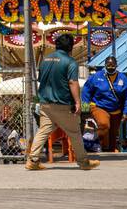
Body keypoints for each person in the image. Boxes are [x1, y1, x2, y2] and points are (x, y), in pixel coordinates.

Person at [26, 33, 98, 171]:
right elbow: (72, 82)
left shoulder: (45, 60)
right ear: (70, 47)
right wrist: (78, 102)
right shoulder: (70, 62)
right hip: (63, 104)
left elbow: (42, 79)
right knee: (74, 132)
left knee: (43, 131)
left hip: (45, 104)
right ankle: (83, 162)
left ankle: (33, 160)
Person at [82, 55, 127, 152]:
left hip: (116, 110)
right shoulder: (96, 76)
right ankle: (94, 145)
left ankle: (109, 151)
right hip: (99, 106)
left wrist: (126, 112)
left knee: (113, 133)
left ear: (116, 65)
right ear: (105, 65)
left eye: (112, 64)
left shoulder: (123, 79)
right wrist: (85, 108)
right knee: (104, 124)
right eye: (108, 64)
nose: (110, 66)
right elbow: (86, 91)